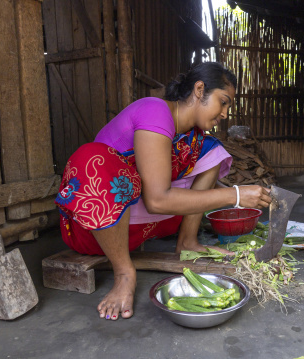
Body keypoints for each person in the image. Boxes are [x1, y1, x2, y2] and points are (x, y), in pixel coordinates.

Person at [55, 62, 272, 321]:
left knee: (211, 150)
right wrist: (236, 195)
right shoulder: (154, 110)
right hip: (94, 231)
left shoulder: (193, 137)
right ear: (199, 89)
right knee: (92, 157)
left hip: (141, 230)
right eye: (223, 102)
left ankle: (187, 241)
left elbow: (191, 189)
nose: (225, 113)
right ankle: (124, 273)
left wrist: (246, 196)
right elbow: (157, 200)